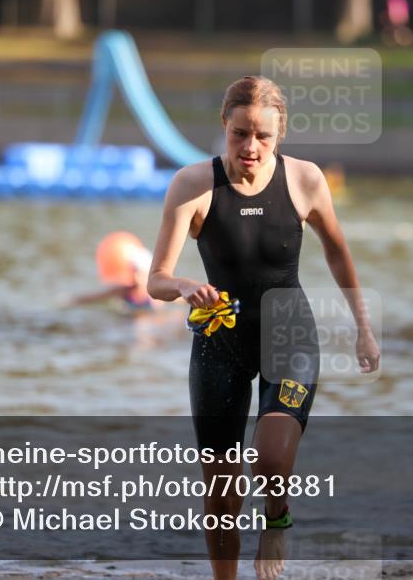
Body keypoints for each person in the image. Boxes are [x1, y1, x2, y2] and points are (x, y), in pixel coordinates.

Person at [147, 76, 380, 580]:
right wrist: (185, 286)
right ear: (224, 127)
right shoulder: (193, 185)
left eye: (263, 137)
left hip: (288, 334)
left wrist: (363, 326)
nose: (250, 147)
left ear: (280, 136)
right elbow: (155, 279)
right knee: (222, 490)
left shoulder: (305, 180)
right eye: (239, 134)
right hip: (218, 343)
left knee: (270, 457)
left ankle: (276, 520)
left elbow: (337, 251)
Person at [64, 231, 160, 310]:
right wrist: (72, 301)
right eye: (133, 271)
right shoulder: (124, 289)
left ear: (148, 274)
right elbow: (95, 296)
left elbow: (173, 298)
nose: (136, 277)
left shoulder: (155, 292)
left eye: (140, 273)